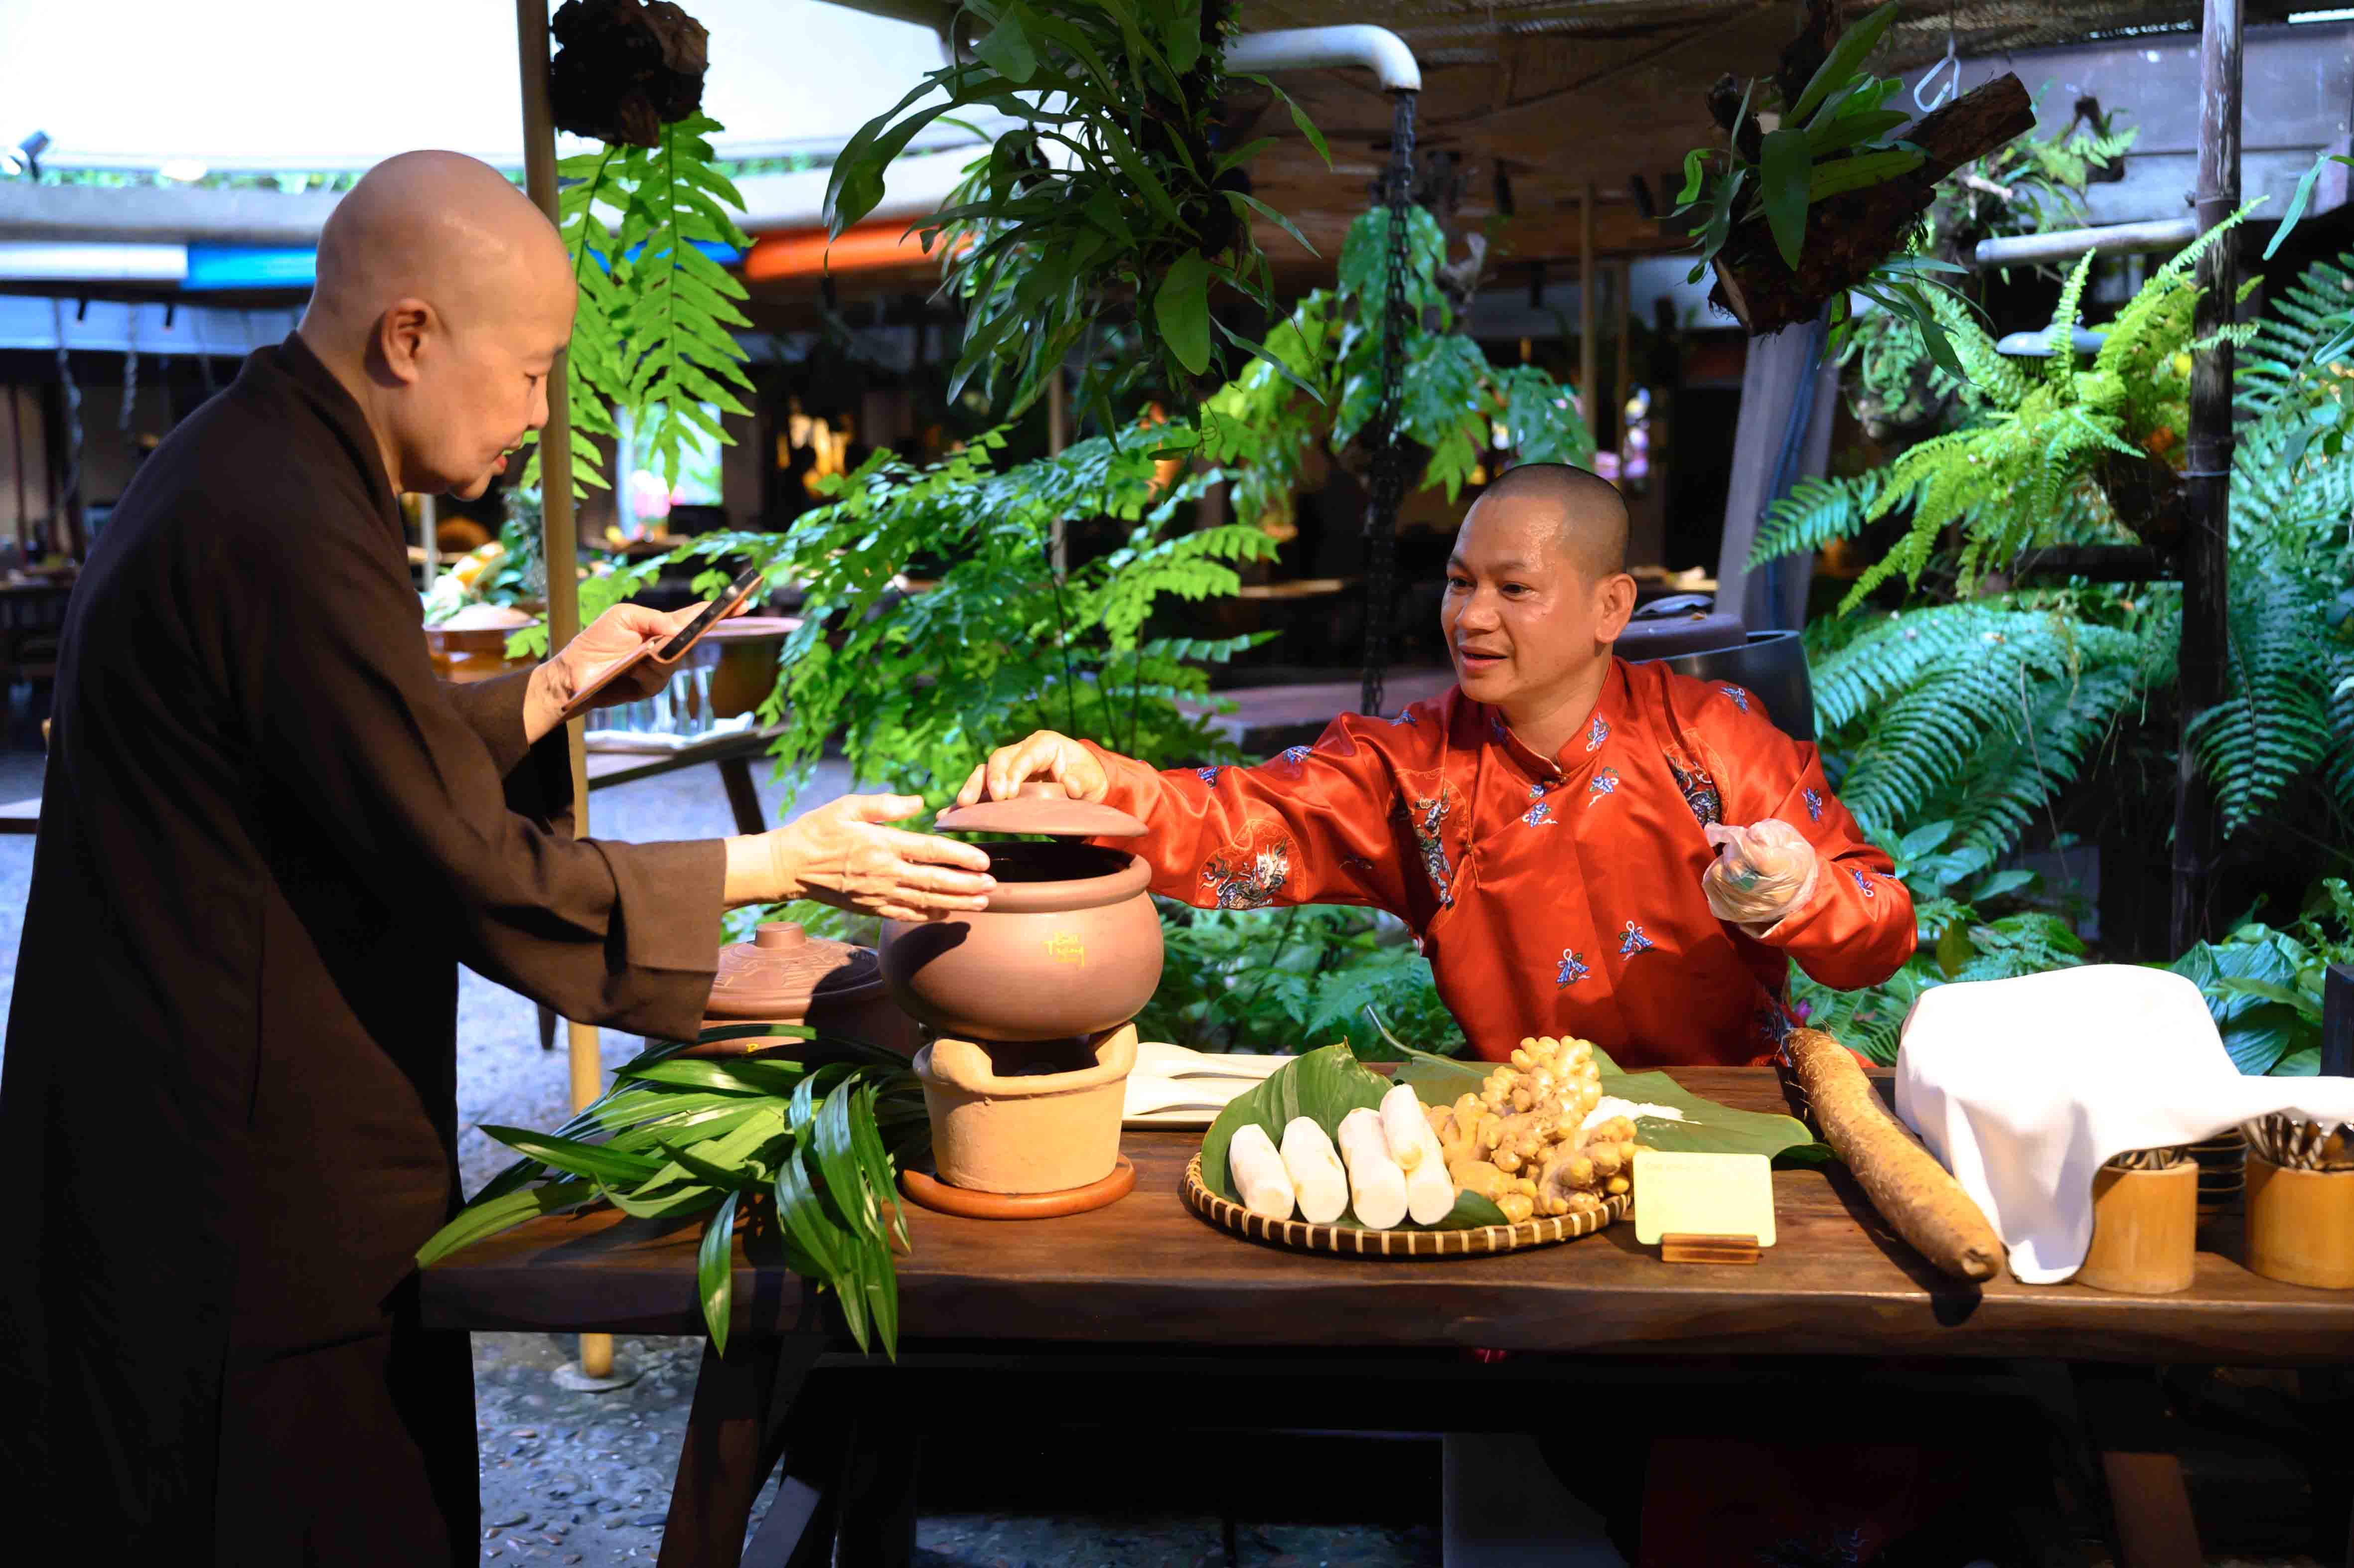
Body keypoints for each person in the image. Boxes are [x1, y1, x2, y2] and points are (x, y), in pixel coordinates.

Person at [0, 151, 995, 1564]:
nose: (538, 416)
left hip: (205, 1123)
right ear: (409, 336)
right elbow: (454, 854)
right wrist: (779, 861)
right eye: (529, 373)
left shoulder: (259, 459)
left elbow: (348, 758)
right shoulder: (282, 512)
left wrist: (551, 686)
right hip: (230, 1174)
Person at [961, 461, 1914, 1069]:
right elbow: (1239, 819)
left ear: (1611, 608)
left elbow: (1882, 932)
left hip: (1738, 1127)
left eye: (1514, 589)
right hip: (1529, 1136)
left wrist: (1799, 891)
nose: (1472, 617)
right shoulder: (1413, 770)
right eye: (1460, 583)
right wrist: (1097, 782)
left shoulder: (1712, 735)